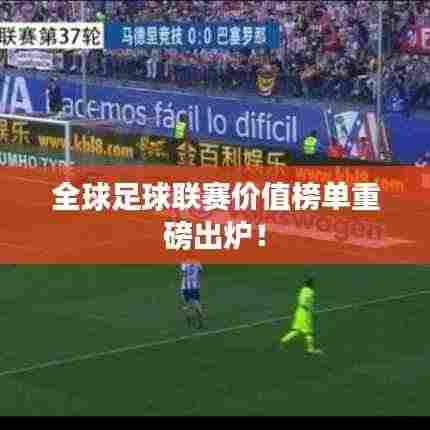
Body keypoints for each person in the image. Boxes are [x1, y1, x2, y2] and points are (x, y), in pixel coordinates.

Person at [280, 275, 323, 355]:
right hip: (305, 313)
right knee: (309, 332)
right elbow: (306, 303)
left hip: (299, 311)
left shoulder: (303, 290)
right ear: (311, 284)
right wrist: (310, 311)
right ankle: (311, 349)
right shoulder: (310, 291)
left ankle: (283, 340)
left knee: (296, 330)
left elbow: (302, 301)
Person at [179, 262, 204, 329]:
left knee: (187, 304)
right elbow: (200, 273)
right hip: (195, 286)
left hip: (185, 287)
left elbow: (183, 274)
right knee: (197, 303)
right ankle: (200, 321)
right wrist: (197, 280)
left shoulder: (184, 263)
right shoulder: (198, 263)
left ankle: (189, 321)